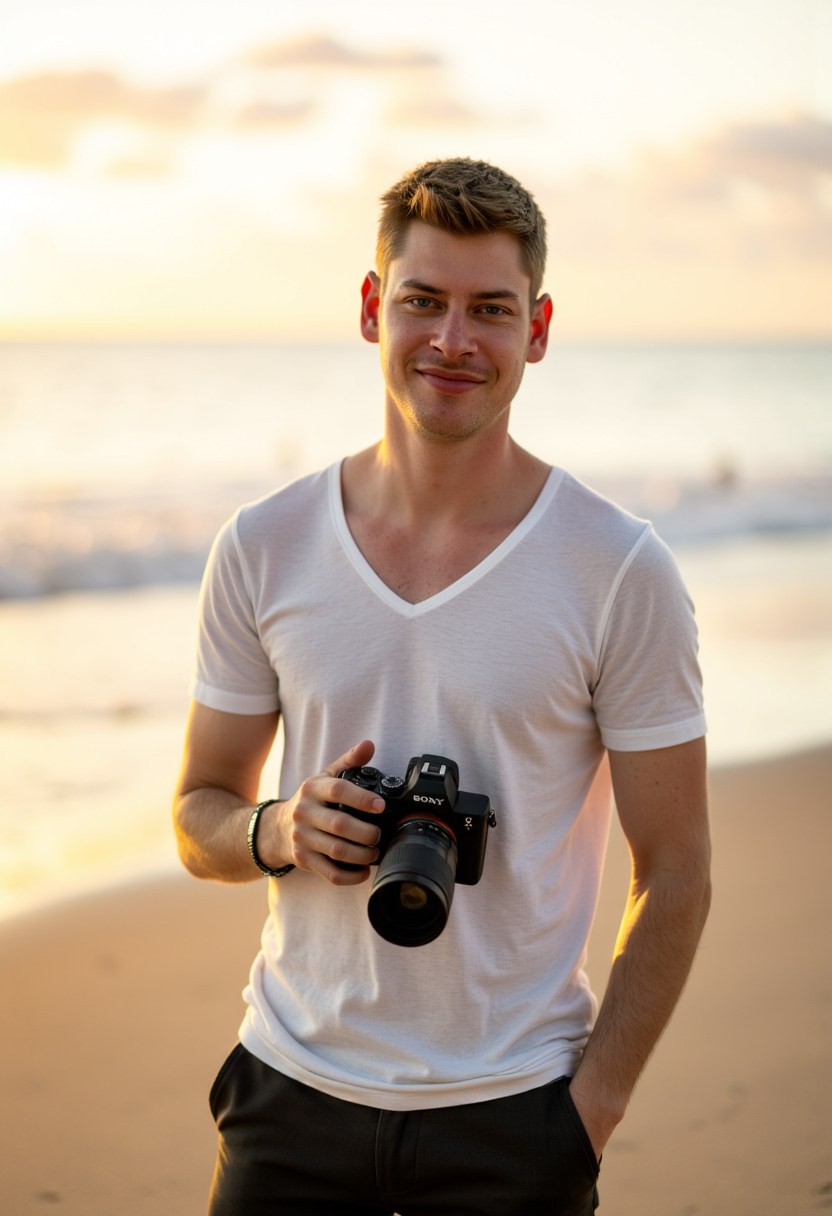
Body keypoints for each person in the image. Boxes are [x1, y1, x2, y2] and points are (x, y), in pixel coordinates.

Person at [173, 157, 711, 1216]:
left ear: (538, 328)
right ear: (374, 308)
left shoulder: (617, 568)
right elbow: (198, 814)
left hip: (516, 1112)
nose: (452, 342)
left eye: (489, 310)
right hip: (288, 1089)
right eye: (423, 301)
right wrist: (280, 828)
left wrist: (585, 1115)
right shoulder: (264, 545)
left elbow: (678, 873)